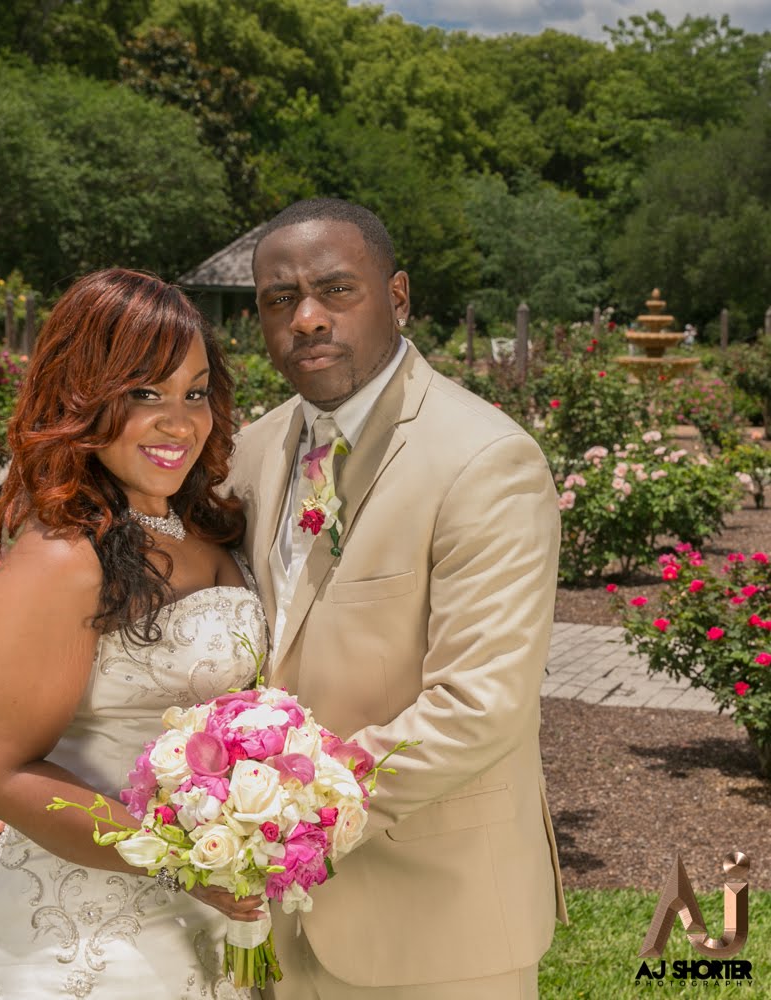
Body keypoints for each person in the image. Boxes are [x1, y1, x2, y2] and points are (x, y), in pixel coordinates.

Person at [226, 198, 566, 999]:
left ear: (399, 296)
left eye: (336, 291)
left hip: (432, 915)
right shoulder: (246, 452)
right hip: (260, 918)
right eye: (281, 300)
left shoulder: (485, 461)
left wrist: (284, 815)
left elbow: (479, 705)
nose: (306, 318)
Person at [0, 268, 268, 999]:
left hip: (210, 905)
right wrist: (179, 858)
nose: (180, 422)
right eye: (144, 394)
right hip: (85, 930)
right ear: (81, 397)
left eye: (194, 392)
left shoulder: (210, 527)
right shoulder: (62, 560)